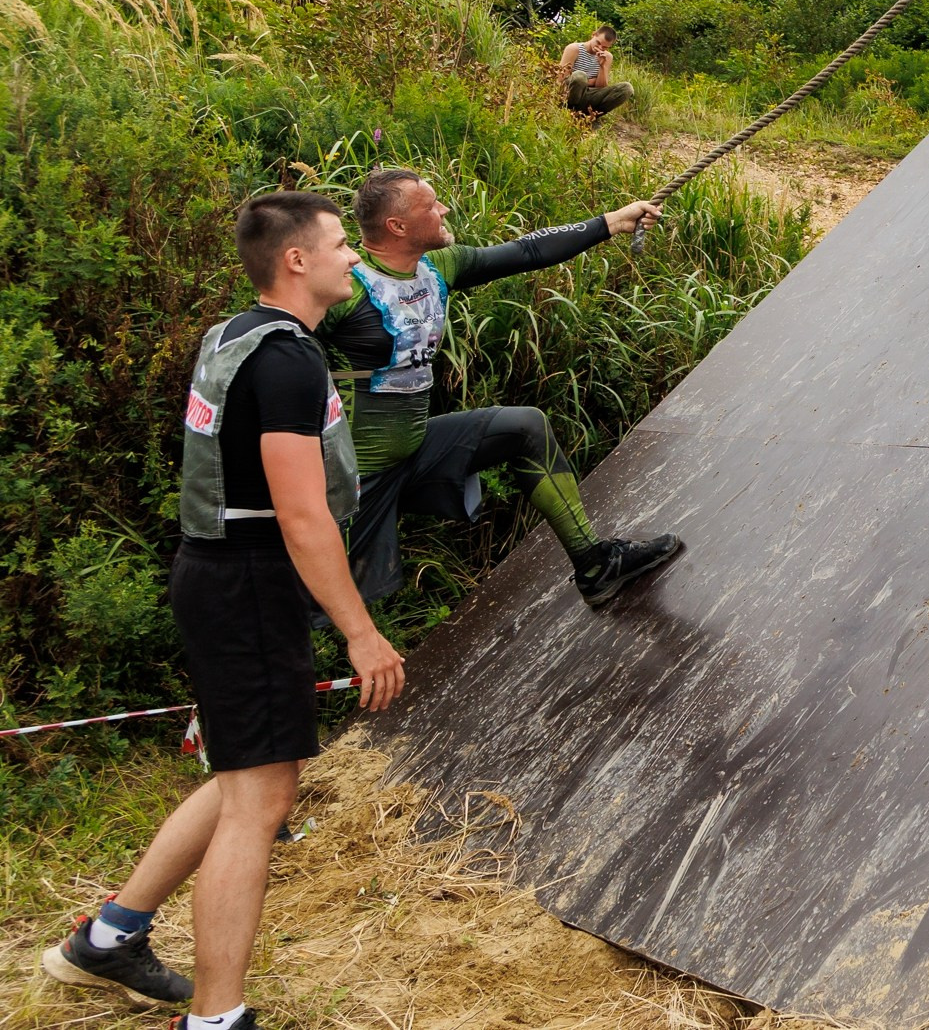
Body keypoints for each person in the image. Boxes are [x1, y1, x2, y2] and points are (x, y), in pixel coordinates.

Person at [42, 193, 407, 1028]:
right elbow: (303, 513)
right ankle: (214, 1017)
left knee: (248, 771)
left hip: (219, 572)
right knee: (260, 801)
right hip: (246, 580)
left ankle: (108, 938)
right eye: (341, 244)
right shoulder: (287, 363)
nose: (353, 257)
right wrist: (361, 630)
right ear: (296, 260)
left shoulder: (236, 333)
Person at [321, 170, 682, 607]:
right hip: (355, 480)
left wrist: (610, 222)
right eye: (430, 206)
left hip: (414, 452)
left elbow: (527, 250)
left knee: (525, 428)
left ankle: (595, 564)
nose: (444, 210)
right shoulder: (345, 290)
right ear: (397, 227)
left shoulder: (440, 266)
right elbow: (279, 349)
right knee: (323, 607)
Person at [558, 27, 633, 120]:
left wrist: (602, 66)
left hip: (588, 96)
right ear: (593, 35)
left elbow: (601, 87)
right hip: (569, 94)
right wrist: (589, 81)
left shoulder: (607, 57)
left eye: (605, 47)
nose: (600, 48)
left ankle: (591, 116)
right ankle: (567, 111)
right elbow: (561, 79)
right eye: (598, 43)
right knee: (580, 76)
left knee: (626, 88)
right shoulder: (574, 49)